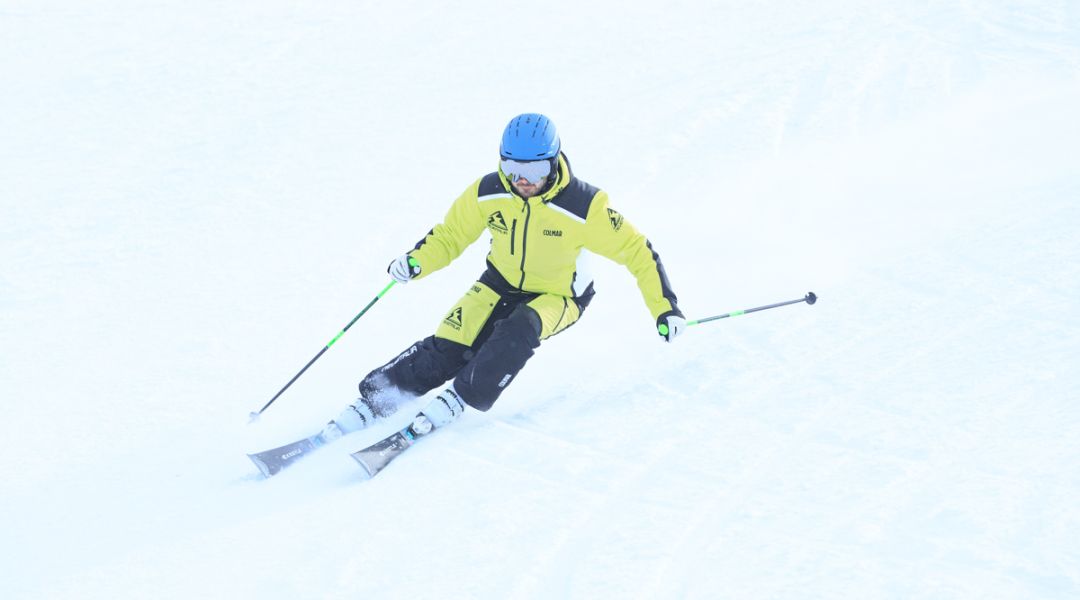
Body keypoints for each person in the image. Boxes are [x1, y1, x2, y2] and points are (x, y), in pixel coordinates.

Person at [320, 113, 685, 440]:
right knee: (450, 343)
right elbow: (450, 236)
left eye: (537, 172)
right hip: (499, 282)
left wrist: (664, 309)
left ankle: (460, 397)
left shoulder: (584, 207)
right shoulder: (487, 193)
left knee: (518, 329)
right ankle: (377, 398)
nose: (524, 181)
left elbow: (639, 252)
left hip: (560, 296)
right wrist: (416, 262)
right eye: (513, 169)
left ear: (554, 162)